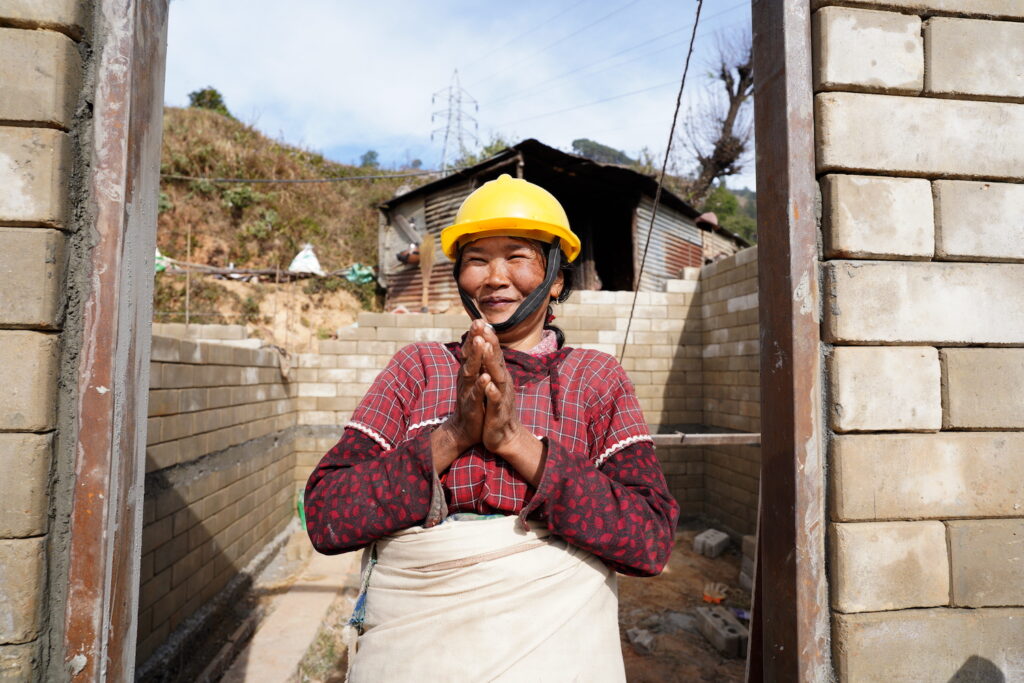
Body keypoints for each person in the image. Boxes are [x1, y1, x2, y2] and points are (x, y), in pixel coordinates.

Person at [304, 174, 679, 682]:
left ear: (557, 279)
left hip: (557, 654)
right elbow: (327, 515)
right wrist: (454, 433)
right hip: (417, 655)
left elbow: (650, 539)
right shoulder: (416, 368)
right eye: (477, 259)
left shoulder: (595, 379)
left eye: (518, 257)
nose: (494, 278)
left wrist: (514, 442)